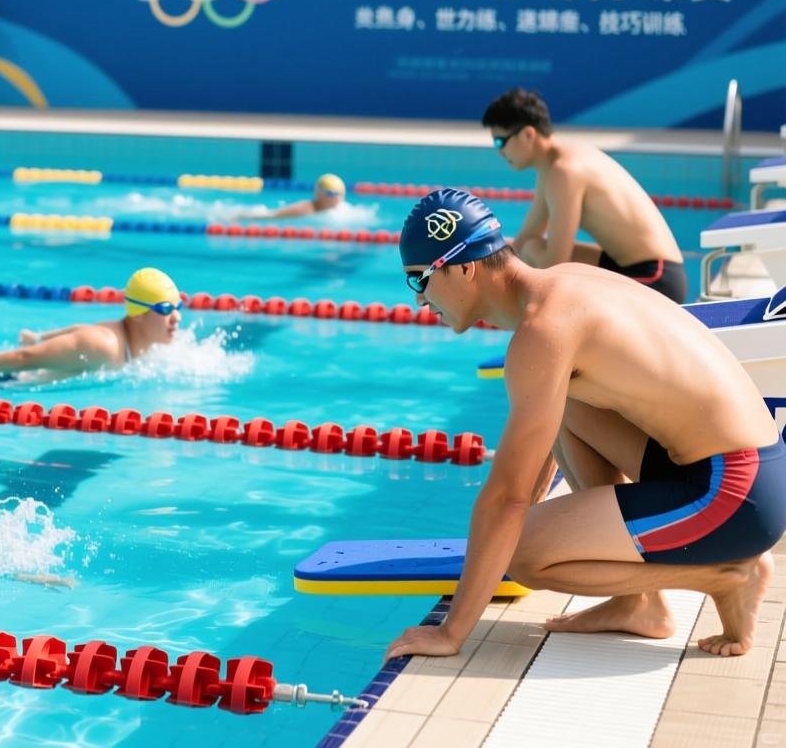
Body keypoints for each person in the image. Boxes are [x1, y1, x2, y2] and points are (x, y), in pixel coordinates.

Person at [387, 188, 784, 661]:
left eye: (420, 280)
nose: (419, 301)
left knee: (526, 555)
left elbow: (506, 497)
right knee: (569, 405)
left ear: (464, 267)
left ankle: (726, 577)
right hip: (749, 468)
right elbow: (535, 462)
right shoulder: (564, 282)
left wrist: (452, 632)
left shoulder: (542, 331)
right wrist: (522, 517)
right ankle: (636, 602)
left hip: (734, 492)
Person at [482, 88, 687, 303]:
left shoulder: (565, 171)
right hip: (636, 268)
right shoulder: (553, 167)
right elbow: (524, 240)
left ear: (528, 134)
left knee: (536, 254)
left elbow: (555, 265)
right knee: (529, 246)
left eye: (500, 142)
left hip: (655, 279)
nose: (499, 151)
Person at [0, 267, 182, 380]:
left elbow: (83, 329)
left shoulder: (133, 336)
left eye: (177, 307)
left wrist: (41, 337)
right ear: (138, 313)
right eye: (165, 308)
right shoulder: (104, 345)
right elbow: (25, 358)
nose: (176, 317)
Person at [235, 173, 346, 220]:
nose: (336, 199)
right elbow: (272, 216)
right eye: (331, 194)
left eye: (339, 194)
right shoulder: (305, 209)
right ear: (320, 194)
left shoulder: (342, 210)